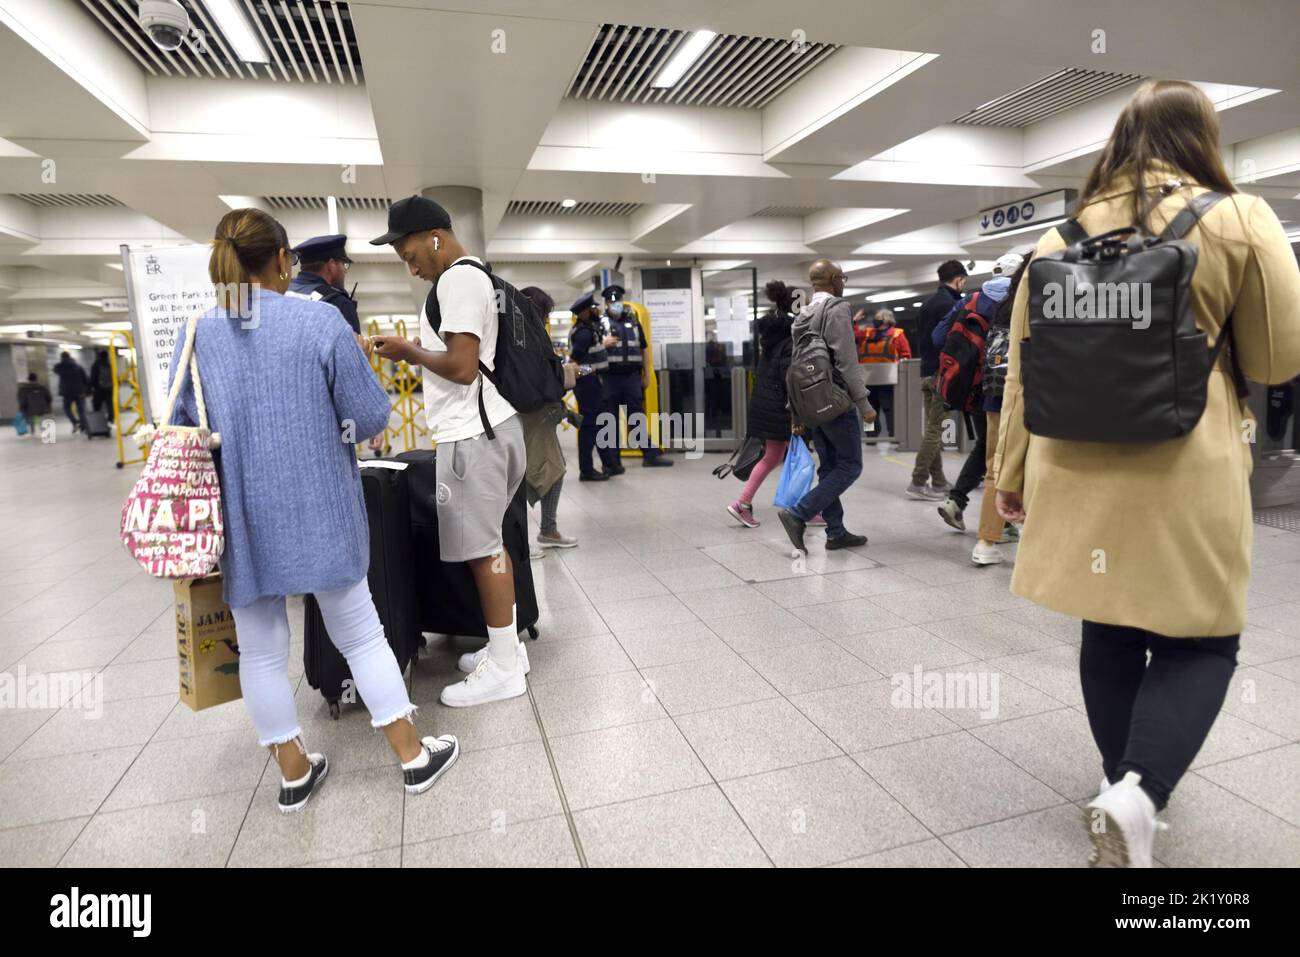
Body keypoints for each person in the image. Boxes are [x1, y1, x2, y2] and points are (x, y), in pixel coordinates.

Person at [994, 80, 1300, 867]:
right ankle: (1136, 790)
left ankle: (1120, 784)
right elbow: (1276, 358)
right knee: (1204, 642)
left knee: (1111, 626)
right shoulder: (1236, 216)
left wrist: (1008, 472)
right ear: (1203, 136)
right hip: (1184, 466)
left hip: (1074, 464)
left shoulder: (1056, 239)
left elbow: (1023, 375)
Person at [167, 208, 457, 814]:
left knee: (262, 650)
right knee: (360, 632)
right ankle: (412, 757)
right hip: (320, 508)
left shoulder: (199, 333)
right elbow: (372, 417)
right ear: (281, 260)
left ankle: (294, 772)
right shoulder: (319, 321)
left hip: (243, 521)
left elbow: (182, 425)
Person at [370, 195, 530, 707]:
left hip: (471, 437)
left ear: (434, 237)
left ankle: (504, 667)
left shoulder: (457, 280)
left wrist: (407, 350)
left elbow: (462, 366)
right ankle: (508, 649)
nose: (410, 265)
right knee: (491, 546)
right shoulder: (473, 275)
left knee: (482, 553)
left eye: (409, 253)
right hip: (494, 428)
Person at [932, 252, 1025, 563]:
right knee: (1018, 457)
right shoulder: (1024, 298)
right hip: (1021, 389)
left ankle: (987, 529)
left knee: (992, 456)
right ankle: (1008, 524)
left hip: (983, 389)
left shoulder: (970, 300)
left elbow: (937, 338)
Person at [777, 259, 875, 553]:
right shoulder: (837, 309)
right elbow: (846, 361)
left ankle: (836, 532)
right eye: (841, 277)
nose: (843, 281)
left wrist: (797, 412)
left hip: (810, 403)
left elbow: (795, 367)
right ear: (833, 279)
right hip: (836, 401)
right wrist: (864, 403)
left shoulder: (802, 314)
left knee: (830, 466)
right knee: (850, 466)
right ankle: (799, 514)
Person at [518, 286, 578, 551]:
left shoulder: (523, 334)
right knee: (533, 473)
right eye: (545, 313)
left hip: (534, 411)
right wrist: (574, 372)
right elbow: (541, 374)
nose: (546, 319)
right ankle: (527, 536)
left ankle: (547, 530)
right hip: (529, 412)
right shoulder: (525, 337)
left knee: (551, 468)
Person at [907, 260, 967, 499]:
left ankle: (939, 481)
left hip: (925, 372)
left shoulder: (927, 304)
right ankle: (917, 482)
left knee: (932, 429)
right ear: (959, 279)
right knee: (934, 431)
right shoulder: (951, 305)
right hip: (941, 374)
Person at [599, 282, 673, 469]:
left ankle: (650, 455)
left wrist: (648, 374)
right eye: (611, 301)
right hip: (609, 378)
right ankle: (613, 462)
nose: (615, 304)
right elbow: (589, 351)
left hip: (631, 377)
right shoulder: (599, 324)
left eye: (617, 300)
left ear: (622, 301)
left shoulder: (633, 320)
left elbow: (644, 349)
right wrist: (602, 344)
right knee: (610, 421)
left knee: (636, 417)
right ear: (606, 303)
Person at [567, 292, 611, 481]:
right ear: (585, 312)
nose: (596, 310)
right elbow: (573, 366)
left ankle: (607, 464)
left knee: (596, 425)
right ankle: (586, 470)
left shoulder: (589, 329)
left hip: (593, 384)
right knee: (588, 427)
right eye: (592, 308)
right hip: (587, 386)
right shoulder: (583, 334)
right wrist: (590, 370)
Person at [853, 307, 911, 438]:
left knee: (889, 409)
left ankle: (893, 434)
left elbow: (906, 355)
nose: (874, 321)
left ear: (886, 320)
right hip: (867, 379)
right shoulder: (867, 333)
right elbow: (851, 335)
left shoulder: (897, 334)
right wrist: (854, 321)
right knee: (868, 409)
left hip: (889, 380)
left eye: (877, 319)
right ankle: (870, 436)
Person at [287, 234, 360, 334]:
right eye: (344, 264)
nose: (345, 271)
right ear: (332, 264)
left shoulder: (280, 292)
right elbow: (353, 348)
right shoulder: (338, 303)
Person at [52, 351, 89, 433]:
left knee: (66, 409)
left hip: (67, 392)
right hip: (80, 391)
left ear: (61, 357)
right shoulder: (78, 366)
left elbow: (54, 369)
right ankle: (83, 427)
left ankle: (75, 422)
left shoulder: (60, 366)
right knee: (81, 410)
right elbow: (85, 379)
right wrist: (87, 390)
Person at [16, 373, 52, 438]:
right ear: (36, 378)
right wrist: (48, 406)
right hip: (42, 407)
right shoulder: (42, 387)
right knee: (42, 417)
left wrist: (22, 407)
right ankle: (44, 430)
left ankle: (32, 431)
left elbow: (20, 398)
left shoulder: (23, 389)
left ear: (28, 379)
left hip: (29, 408)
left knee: (29, 418)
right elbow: (48, 398)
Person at [90, 349, 114, 414]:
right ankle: (111, 419)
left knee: (97, 405)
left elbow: (93, 377)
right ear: (107, 356)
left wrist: (90, 388)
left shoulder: (96, 364)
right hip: (109, 388)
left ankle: (99, 420)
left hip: (99, 389)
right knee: (110, 405)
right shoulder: (110, 364)